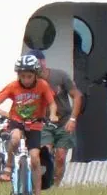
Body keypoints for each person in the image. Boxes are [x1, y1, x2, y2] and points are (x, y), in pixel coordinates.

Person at [0, 54, 59, 195]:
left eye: (29, 76)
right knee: (14, 138)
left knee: (35, 158)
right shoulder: (14, 86)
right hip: (17, 121)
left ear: (35, 74)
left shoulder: (42, 85)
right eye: (22, 76)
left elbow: (51, 103)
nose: (26, 80)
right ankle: (8, 166)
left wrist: (53, 115)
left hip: (35, 123)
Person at [31, 49, 83, 186]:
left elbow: (77, 96)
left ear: (44, 61)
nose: (37, 64)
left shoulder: (60, 76)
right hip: (44, 121)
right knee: (45, 151)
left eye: (38, 61)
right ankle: (44, 182)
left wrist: (73, 119)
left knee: (61, 156)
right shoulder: (30, 80)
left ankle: (56, 185)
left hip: (64, 120)